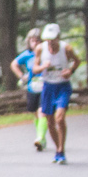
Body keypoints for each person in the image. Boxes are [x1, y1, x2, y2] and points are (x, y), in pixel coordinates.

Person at [34, 22, 81, 164]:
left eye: (52, 38)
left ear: (58, 37)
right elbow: (35, 69)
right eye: (47, 38)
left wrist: (70, 71)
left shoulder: (66, 48)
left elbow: (77, 61)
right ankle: (58, 149)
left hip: (62, 86)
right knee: (49, 121)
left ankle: (61, 150)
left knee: (60, 118)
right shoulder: (40, 49)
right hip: (48, 87)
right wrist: (43, 66)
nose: (50, 41)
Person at [10, 27, 46, 151]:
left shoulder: (46, 53)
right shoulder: (27, 55)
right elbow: (14, 64)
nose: (35, 43)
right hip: (32, 87)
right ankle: (40, 136)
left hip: (45, 87)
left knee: (42, 111)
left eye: (37, 40)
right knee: (35, 112)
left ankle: (40, 138)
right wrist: (22, 76)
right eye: (32, 41)